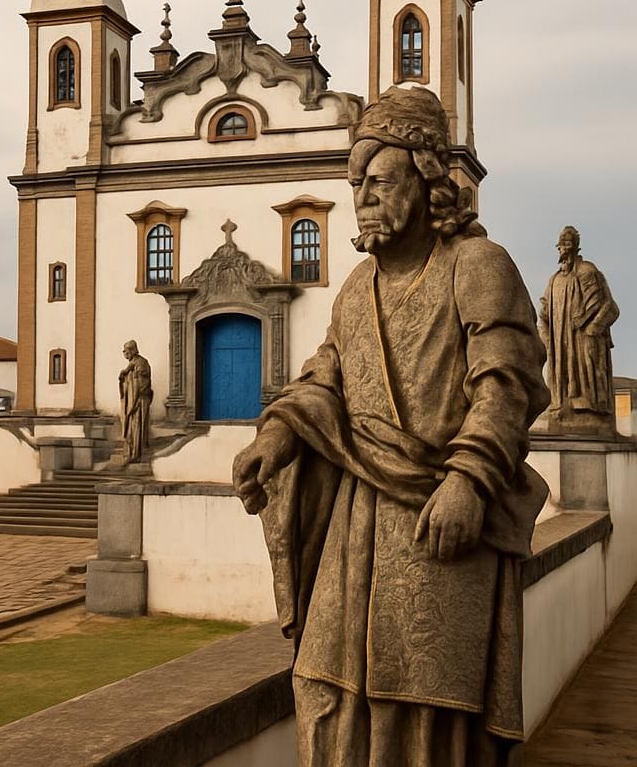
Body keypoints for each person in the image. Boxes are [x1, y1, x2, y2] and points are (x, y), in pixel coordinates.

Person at [232, 86, 548, 766]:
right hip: (353, 529)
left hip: (440, 525)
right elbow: (326, 376)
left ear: (424, 175)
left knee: (426, 708)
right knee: (324, 686)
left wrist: (468, 479)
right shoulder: (354, 288)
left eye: (378, 179)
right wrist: (278, 435)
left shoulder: (476, 266)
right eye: (354, 184)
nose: (363, 197)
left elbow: (508, 381)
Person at [540, 225, 620, 432]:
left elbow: (609, 307)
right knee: (562, 382)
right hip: (560, 344)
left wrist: (592, 328)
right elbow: (544, 314)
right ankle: (562, 406)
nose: (563, 248)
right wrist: (547, 339)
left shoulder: (587, 271)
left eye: (568, 243)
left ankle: (590, 409)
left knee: (588, 379)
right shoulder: (554, 279)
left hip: (584, 340)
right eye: (561, 244)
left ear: (575, 246)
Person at [115, 341, 151, 465]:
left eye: (126, 351)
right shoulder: (131, 365)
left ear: (132, 350)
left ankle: (136, 454)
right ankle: (130, 453)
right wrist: (122, 378)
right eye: (124, 351)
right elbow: (127, 384)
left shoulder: (141, 363)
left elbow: (143, 384)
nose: (124, 353)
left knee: (137, 428)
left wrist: (134, 397)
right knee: (131, 429)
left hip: (139, 403)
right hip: (131, 402)